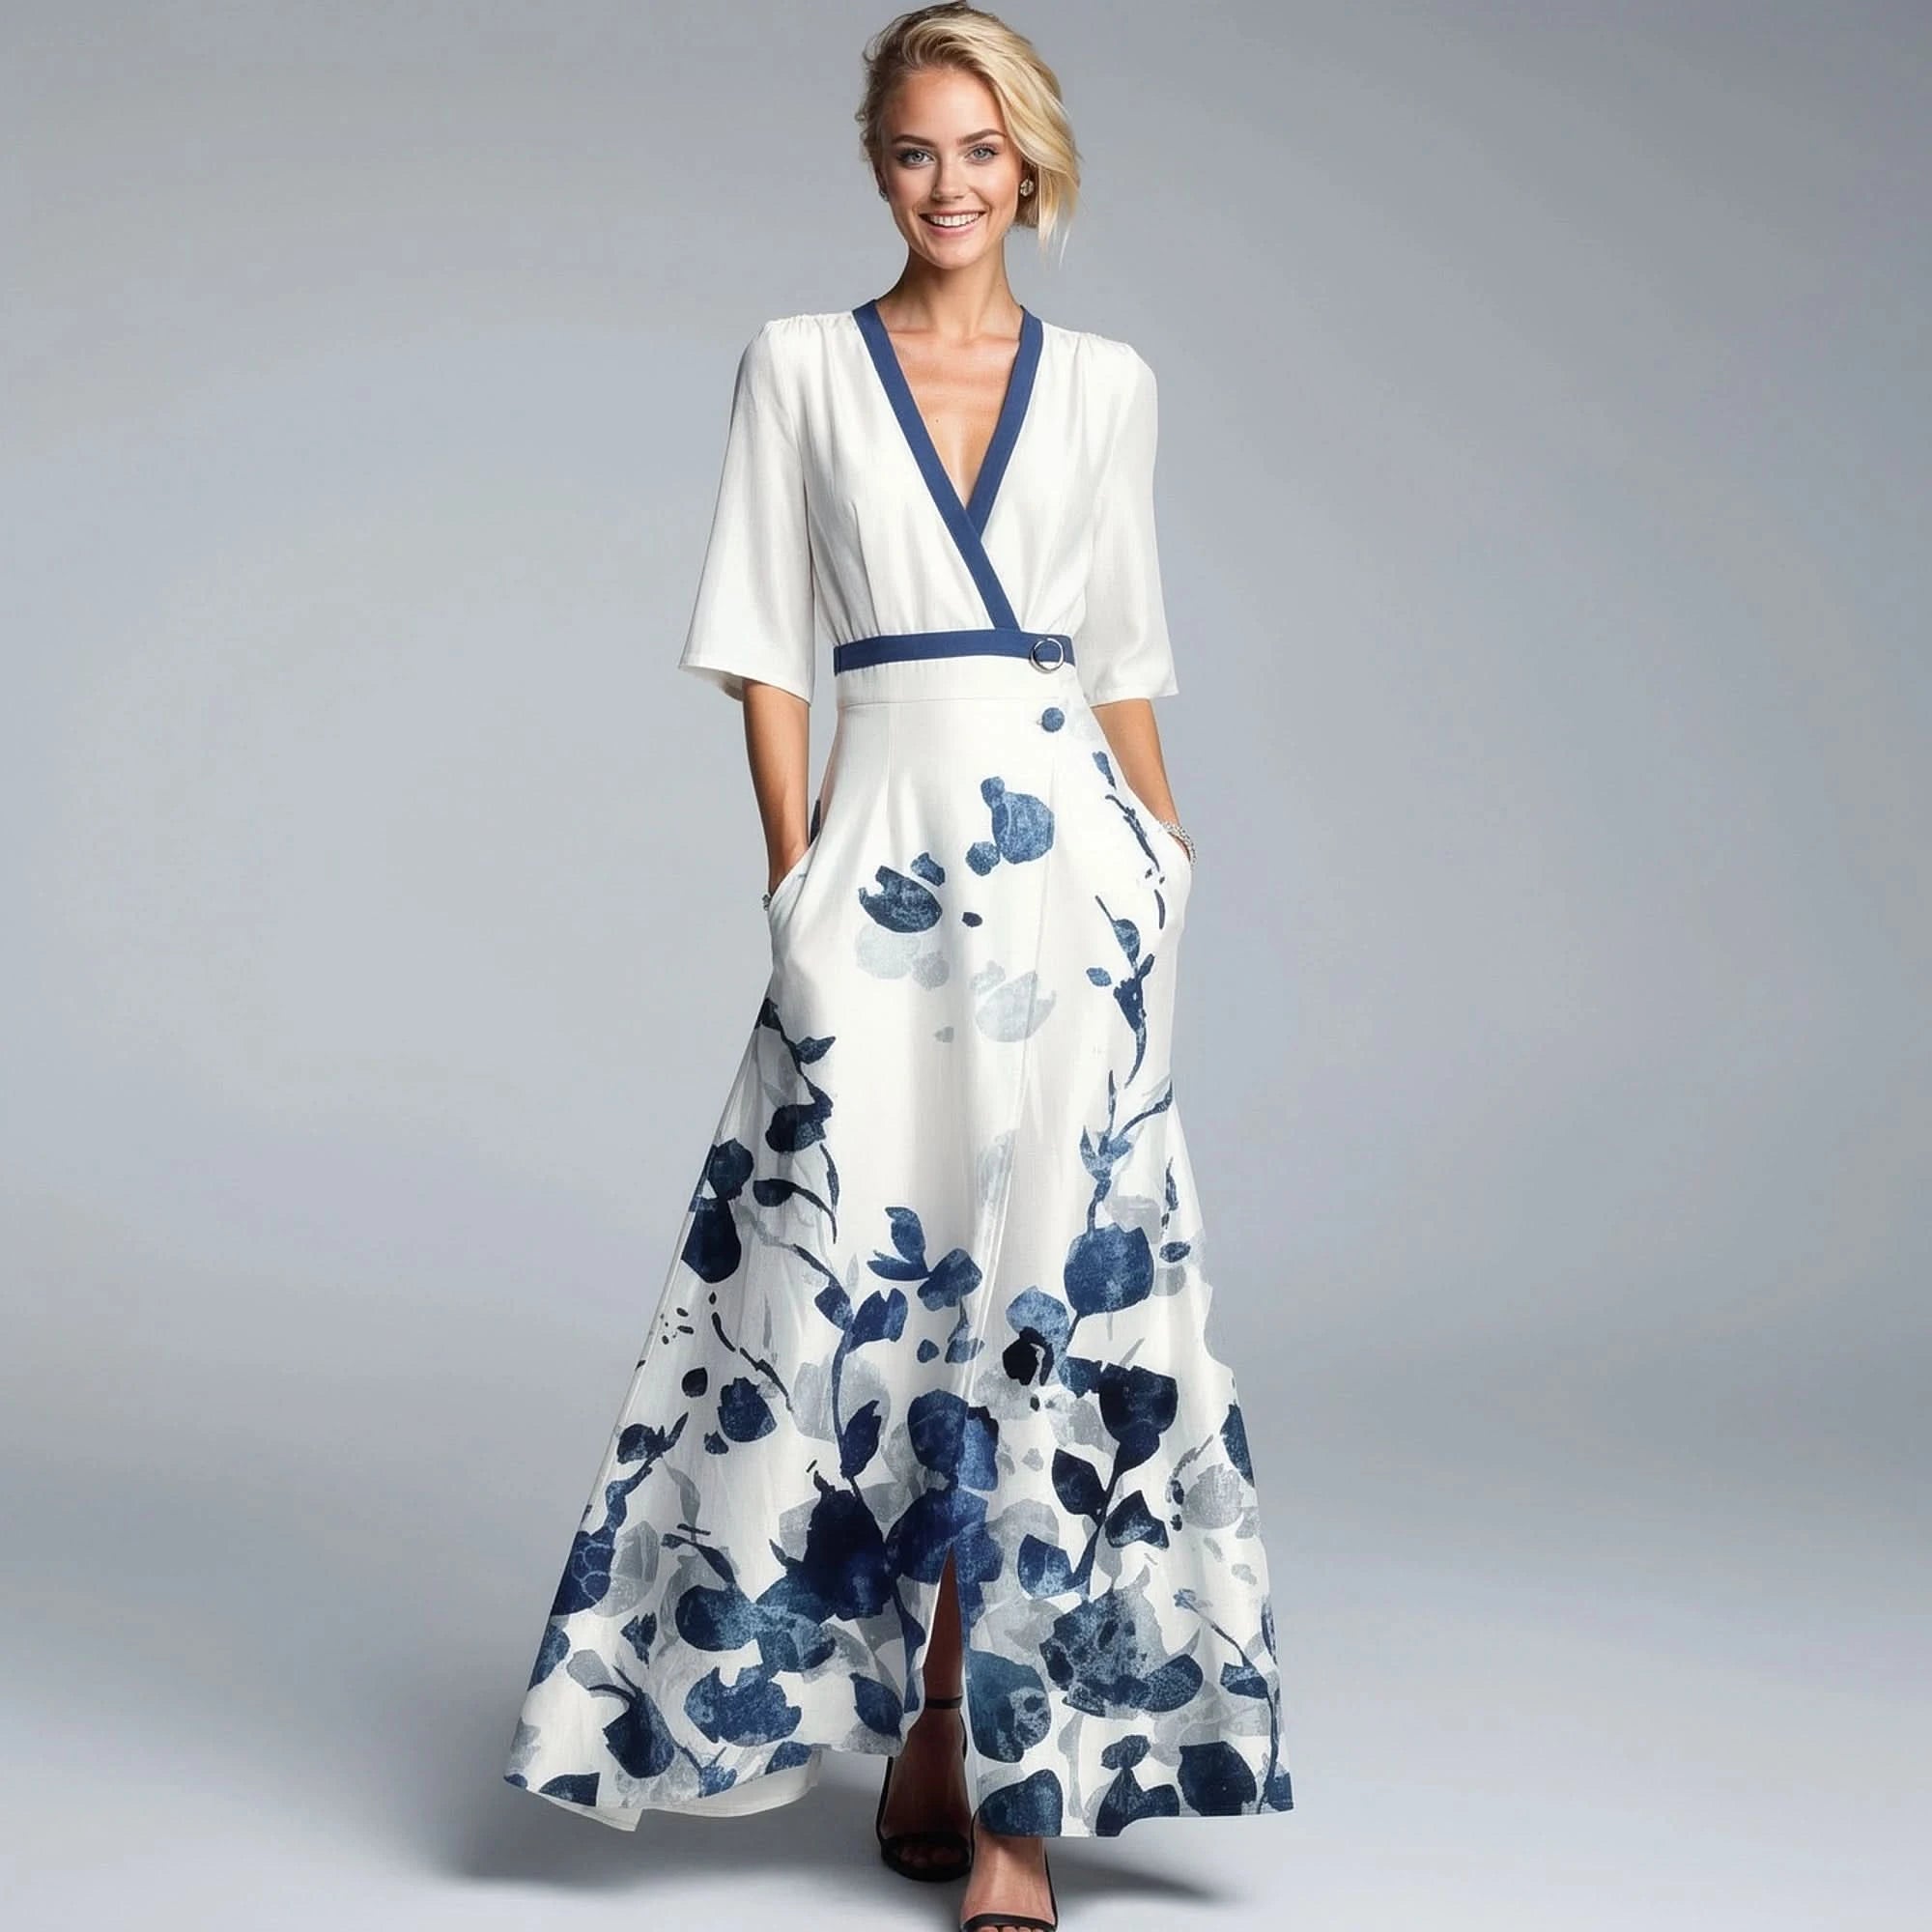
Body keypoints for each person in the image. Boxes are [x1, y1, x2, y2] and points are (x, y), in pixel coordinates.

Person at [502, 7, 1293, 1927]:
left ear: (1032, 166)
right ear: (880, 165)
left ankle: (1014, 1790)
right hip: (877, 875)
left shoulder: (1108, 386)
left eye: (982, 150)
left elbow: (1122, 653)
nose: (952, 184)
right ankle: (915, 1704)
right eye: (918, 150)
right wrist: (792, 878)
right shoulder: (798, 365)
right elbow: (762, 643)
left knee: (1051, 1307)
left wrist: (1167, 855)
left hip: (1075, 886)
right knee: (851, 1301)